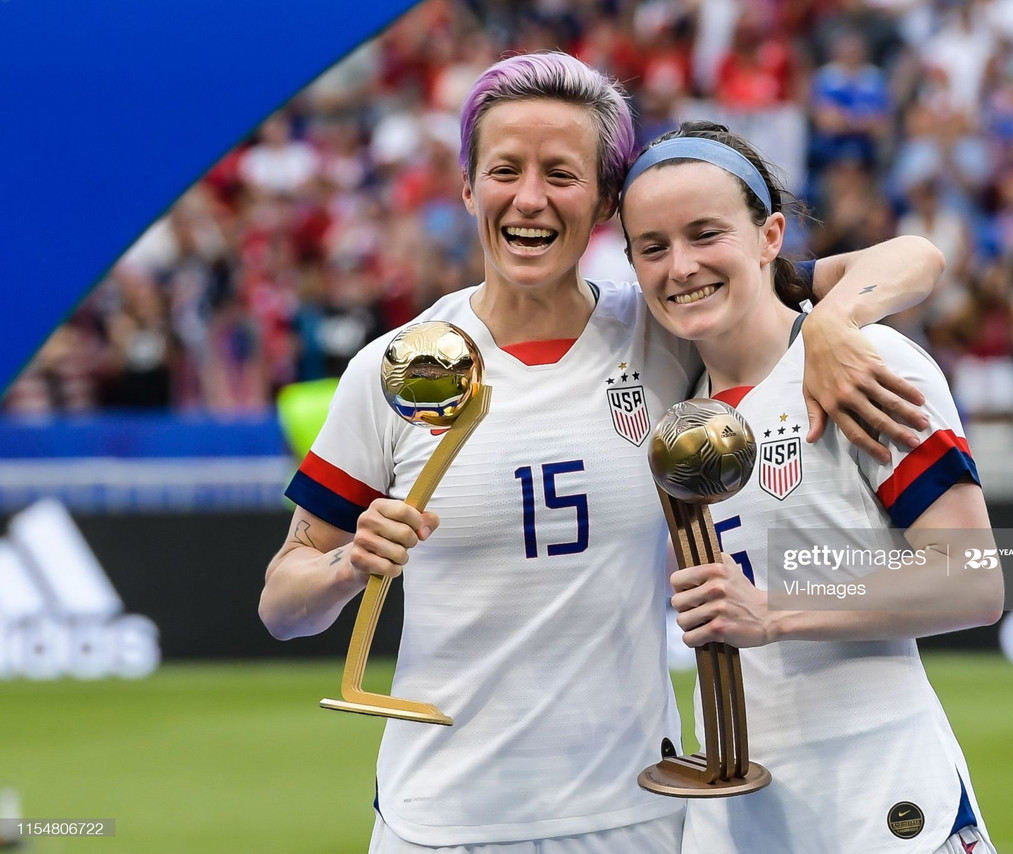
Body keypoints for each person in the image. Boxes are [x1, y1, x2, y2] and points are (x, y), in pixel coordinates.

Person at [259, 52, 945, 854]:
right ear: (466, 187)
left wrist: (830, 321)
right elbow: (282, 601)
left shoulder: (667, 321)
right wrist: (346, 569)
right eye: (505, 170)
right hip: (438, 821)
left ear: (605, 203)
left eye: (562, 173)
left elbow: (912, 260)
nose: (530, 199)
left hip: (637, 819)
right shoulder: (400, 368)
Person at [619, 121, 1003, 853]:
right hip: (734, 813)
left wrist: (776, 610)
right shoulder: (675, 410)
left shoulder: (864, 361)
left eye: (706, 234)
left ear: (769, 236)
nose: (681, 267)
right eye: (653, 247)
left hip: (884, 796)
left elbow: (973, 579)